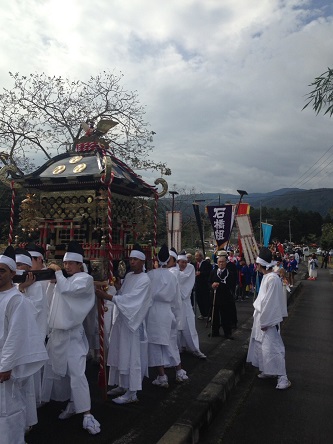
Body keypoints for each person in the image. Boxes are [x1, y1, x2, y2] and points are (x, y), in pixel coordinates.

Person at [41, 241, 101, 435]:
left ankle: (87, 415)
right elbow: (53, 299)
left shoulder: (85, 279)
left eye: (70, 264)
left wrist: (58, 274)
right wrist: (54, 281)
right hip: (57, 335)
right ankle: (73, 403)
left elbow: (68, 290)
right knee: (60, 373)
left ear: (79, 265)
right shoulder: (65, 280)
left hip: (73, 336)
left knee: (77, 373)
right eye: (65, 264)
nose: (67, 266)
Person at [0, 245, 48, 444]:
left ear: (13, 273)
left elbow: (16, 336)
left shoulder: (16, 300)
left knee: (7, 410)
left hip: (4, 366)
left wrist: (5, 366)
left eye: (2, 270)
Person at [95, 245, 152, 404]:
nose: (132, 262)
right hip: (122, 321)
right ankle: (122, 384)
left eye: (135, 260)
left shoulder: (145, 279)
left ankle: (132, 392)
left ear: (142, 261)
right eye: (131, 259)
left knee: (131, 356)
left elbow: (133, 301)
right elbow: (124, 295)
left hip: (132, 323)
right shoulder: (129, 276)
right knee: (120, 353)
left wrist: (108, 296)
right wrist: (118, 288)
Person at [247, 247, 291, 390]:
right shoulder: (268, 277)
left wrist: (265, 321)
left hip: (268, 319)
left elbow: (270, 302)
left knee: (273, 347)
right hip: (262, 317)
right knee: (262, 346)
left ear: (260, 264)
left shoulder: (272, 279)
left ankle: (283, 377)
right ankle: (268, 370)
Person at [147, 244, 189, 388]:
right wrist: (177, 316)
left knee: (155, 344)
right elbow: (177, 299)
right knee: (171, 343)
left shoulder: (151, 275)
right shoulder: (172, 277)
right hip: (168, 312)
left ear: (157, 259)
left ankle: (162, 376)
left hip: (153, 312)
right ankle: (178, 371)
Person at [177, 251, 206, 359]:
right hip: (175, 303)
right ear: (177, 262)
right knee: (176, 327)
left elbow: (185, 281)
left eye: (185, 262)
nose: (183, 264)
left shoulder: (190, 268)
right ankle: (179, 347)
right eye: (181, 262)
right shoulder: (173, 270)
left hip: (185, 301)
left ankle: (195, 349)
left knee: (189, 325)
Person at [208, 255, 236, 339]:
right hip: (215, 297)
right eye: (219, 262)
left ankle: (227, 332)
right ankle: (214, 331)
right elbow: (209, 282)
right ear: (217, 263)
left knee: (226, 316)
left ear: (226, 263)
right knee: (215, 315)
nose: (221, 263)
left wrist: (220, 285)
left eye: (223, 262)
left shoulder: (229, 273)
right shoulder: (213, 272)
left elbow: (232, 285)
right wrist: (212, 285)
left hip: (225, 298)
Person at [194, 250, 212, 319]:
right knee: (199, 300)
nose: (196, 258)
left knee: (206, 300)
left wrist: (201, 273)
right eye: (195, 256)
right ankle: (203, 313)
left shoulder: (206, 263)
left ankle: (208, 314)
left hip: (204, 285)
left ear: (201, 257)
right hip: (198, 285)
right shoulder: (196, 264)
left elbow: (209, 272)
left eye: (197, 256)